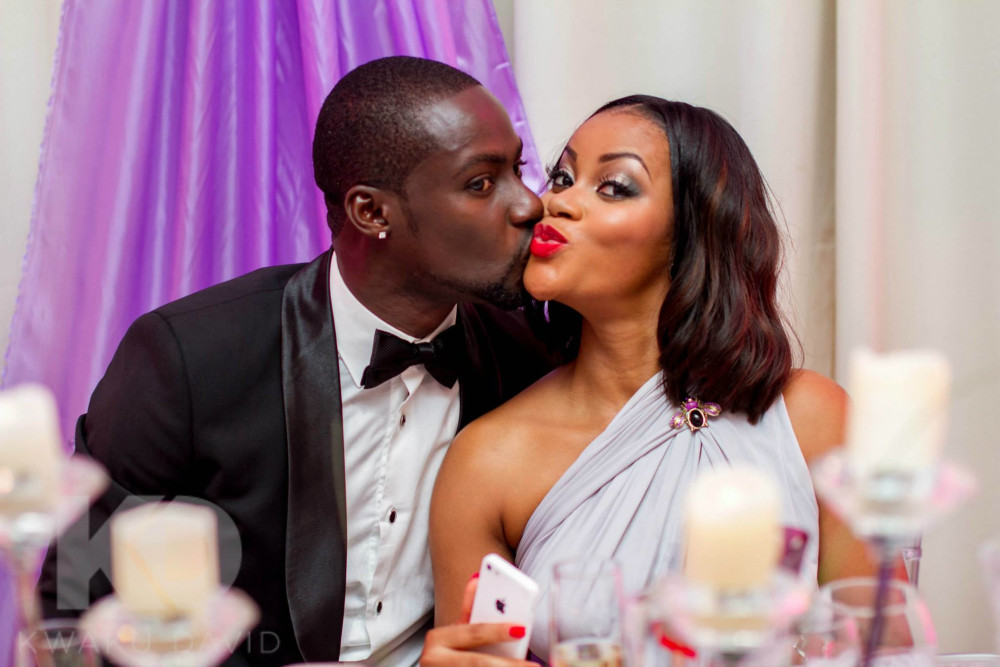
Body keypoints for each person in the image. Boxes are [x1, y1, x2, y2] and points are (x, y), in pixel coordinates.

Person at [38, 56, 555, 666]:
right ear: (372, 212)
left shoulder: (527, 354)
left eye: (518, 170)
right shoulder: (188, 359)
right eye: (482, 183)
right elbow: (71, 612)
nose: (529, 205)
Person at [428, 95, 875, 662]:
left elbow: (882, 644)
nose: (556, 201)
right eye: (562, 177)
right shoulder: (487, 460)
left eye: (613, 186)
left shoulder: (812, 418)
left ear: (693, 233)